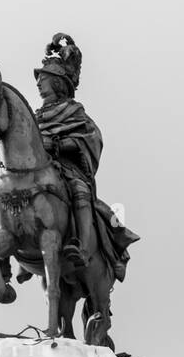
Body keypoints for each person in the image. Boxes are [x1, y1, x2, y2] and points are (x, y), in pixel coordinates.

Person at [33, 33, 139, 281]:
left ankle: (81, 246)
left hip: (68, 170)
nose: (38, 83)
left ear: (58, 83)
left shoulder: (74, 112)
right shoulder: (34, 116)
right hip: (40, 169)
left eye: (43, 78)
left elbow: (91, 139)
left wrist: (60, 145)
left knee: (79, 190)